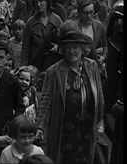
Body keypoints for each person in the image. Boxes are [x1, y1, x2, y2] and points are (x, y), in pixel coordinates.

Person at [35, 26, 105, 163]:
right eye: (68, 47)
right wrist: (40, 126)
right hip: (64, 131)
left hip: (87, 130)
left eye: (75, 47)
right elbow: (45, 101)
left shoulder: (92, 66)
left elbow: (99, 94)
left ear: (83, 49)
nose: (72, 51)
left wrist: (100, 120)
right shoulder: (54, 71)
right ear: (63, 49)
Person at [21, 0, 62, 72]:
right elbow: (25, 48)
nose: (38, 4)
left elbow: (65, 43)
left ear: (47, 1)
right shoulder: (31, 23)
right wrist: (24, 68)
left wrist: (58, 48)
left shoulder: (56, 20)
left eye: (41, 1)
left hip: (54, 65)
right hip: (36, 65)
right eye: (36, 2)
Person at [76, 0, 108, 78]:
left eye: (91, 12)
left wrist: (103, 57)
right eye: (85, 13)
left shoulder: (99, 25)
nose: (89, 16)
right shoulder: (74, 27)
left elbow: (105, 45)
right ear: (80, 13)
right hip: (79, 66)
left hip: (95, 65)